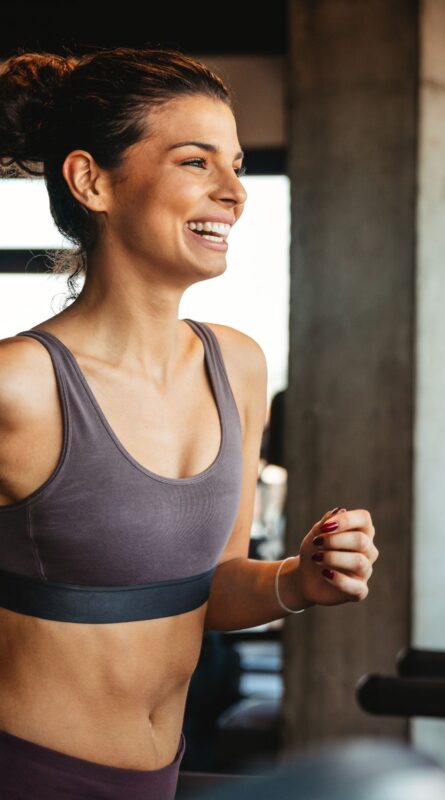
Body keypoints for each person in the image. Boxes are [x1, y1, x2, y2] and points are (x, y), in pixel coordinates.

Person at [0, 48, 378, 799]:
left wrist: (297, 581)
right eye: (196, 162)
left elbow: (211, 589)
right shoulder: (20, 386)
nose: (234, 192)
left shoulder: (236, 365)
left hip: (160, 772)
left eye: (235, 165)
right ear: (92, 180)